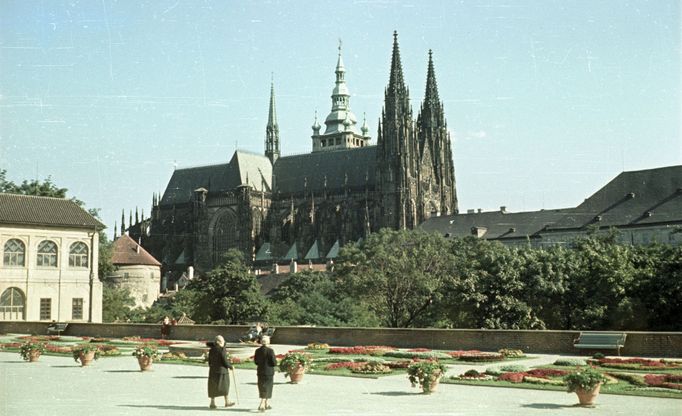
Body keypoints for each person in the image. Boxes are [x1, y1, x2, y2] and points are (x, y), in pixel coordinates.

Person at [207, 335, 235, 409]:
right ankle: (227, 401)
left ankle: (212, 402)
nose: (224, 342)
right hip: (222, 371)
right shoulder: (222, 350)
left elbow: (209, 361)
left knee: (213, 386)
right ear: (219, 342)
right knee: (225, 386)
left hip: (213, 370)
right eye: (223, 341)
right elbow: (225, 361)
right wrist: (230, 366)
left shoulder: (211, 350)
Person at [254, 335, 277, 411]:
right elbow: (274, 362)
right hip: (269, 371)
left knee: (262, 387)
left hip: (260, 371)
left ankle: (266, 403)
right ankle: (262, 404)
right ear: (268, 342)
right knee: (268, 387)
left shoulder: (257, 350)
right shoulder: (270, 351)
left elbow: (256, 362)